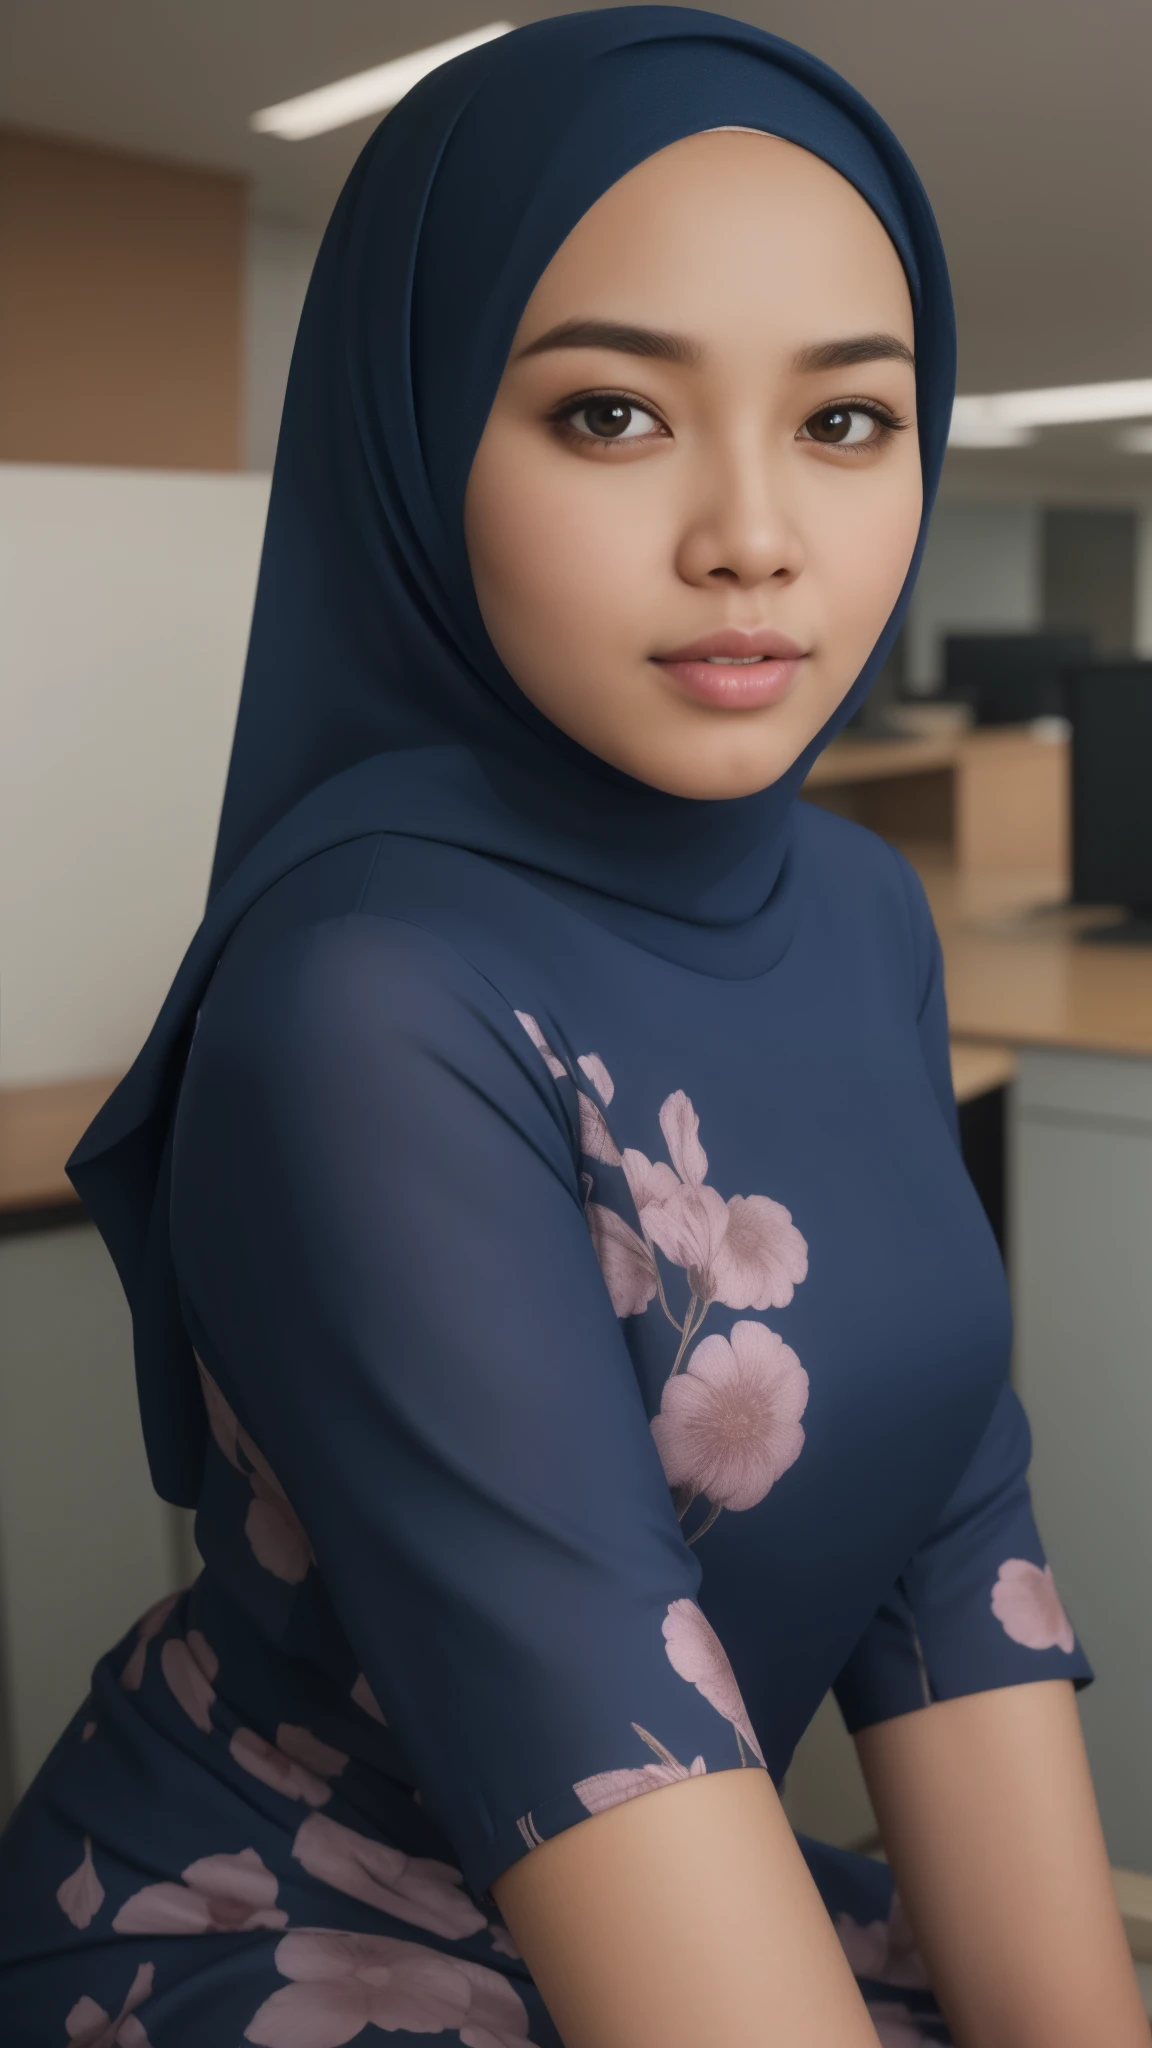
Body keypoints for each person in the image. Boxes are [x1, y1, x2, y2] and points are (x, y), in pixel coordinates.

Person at [0, 10, 1144, 2045]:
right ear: (421, 428)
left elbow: (951, 1555)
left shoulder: (866, 912)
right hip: (290, 1934)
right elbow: (598, 1744)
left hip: (684, 1890)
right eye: (614, 413)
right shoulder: (363, 999)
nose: (756, 535)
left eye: (849, 421)